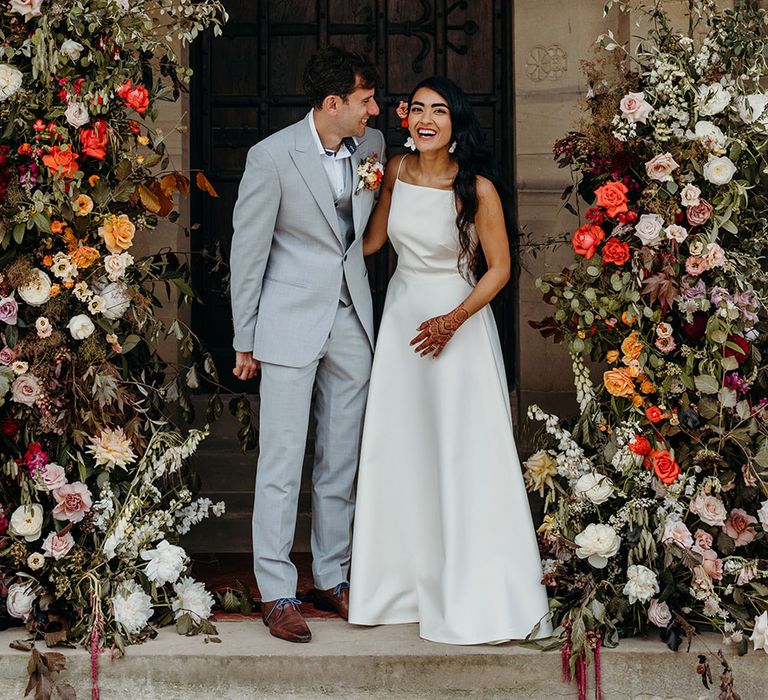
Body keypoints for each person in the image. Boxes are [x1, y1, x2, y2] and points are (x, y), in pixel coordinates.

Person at [348, 76, 551, 644]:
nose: (426, 118)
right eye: (417, 109)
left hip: (456, 323)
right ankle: (397, 587)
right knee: (401, 446)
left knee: (462, 450)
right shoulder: (392, 170)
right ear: (406, 119)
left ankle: (471, 585)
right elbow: (372, 243)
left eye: (439, 110)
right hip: (402, 322)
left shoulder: (478, 189)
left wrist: (452, 321)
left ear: (456, 125)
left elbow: (500, 269)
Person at [229, 46, 386, 643]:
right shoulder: (271, 156)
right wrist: (246, 336)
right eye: (365, 100)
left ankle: (332, 574)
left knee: (340, 457)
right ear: (333, 103)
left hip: (352, 317)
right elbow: (250, 253)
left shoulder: (370, 150)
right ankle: (276, 591)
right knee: (281, 459)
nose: (375, 109)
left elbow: (361, 233)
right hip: (288, 320)